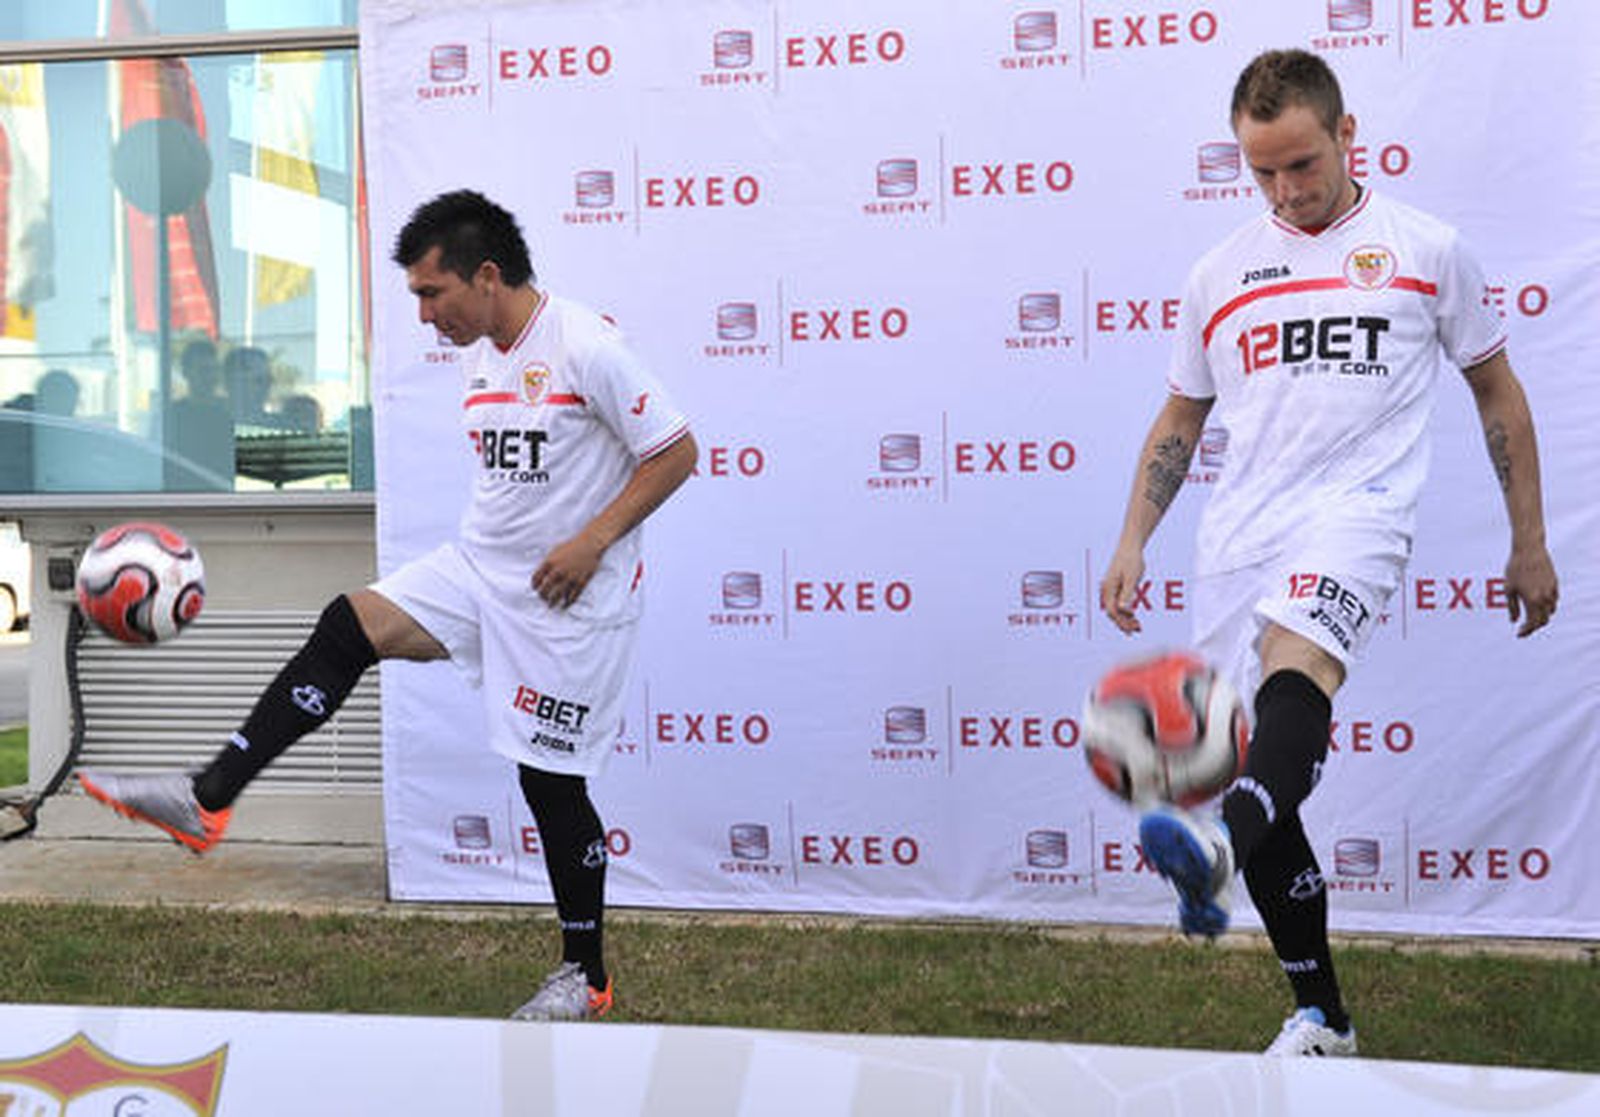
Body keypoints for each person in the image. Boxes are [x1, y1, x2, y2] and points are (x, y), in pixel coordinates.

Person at [78, 189, 699, 1022]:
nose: (424, 313)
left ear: (486, 275)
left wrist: (592, 541)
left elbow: (677, 451)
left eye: (430, 293)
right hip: (482, 572)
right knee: (349, 623)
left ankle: (584, 977)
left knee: (549, 781)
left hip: (568, 603)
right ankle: (207, 796)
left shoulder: (586, 344)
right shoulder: (483, 352)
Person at [1098, 50, 1558, 1057]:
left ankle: (1218, 852)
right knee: (1248, 770)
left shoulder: (1425, 249)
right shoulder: (1216, 273)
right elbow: (1182, 413)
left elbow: (1497, 393)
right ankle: (1323, 1015)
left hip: (1356, 515)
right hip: (1237, 538)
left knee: (1295, 673)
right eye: (1261, 171)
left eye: (1300, 164)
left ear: (1349, 136)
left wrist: (1529, 539)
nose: (1285, 189)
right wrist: (1135, 534)